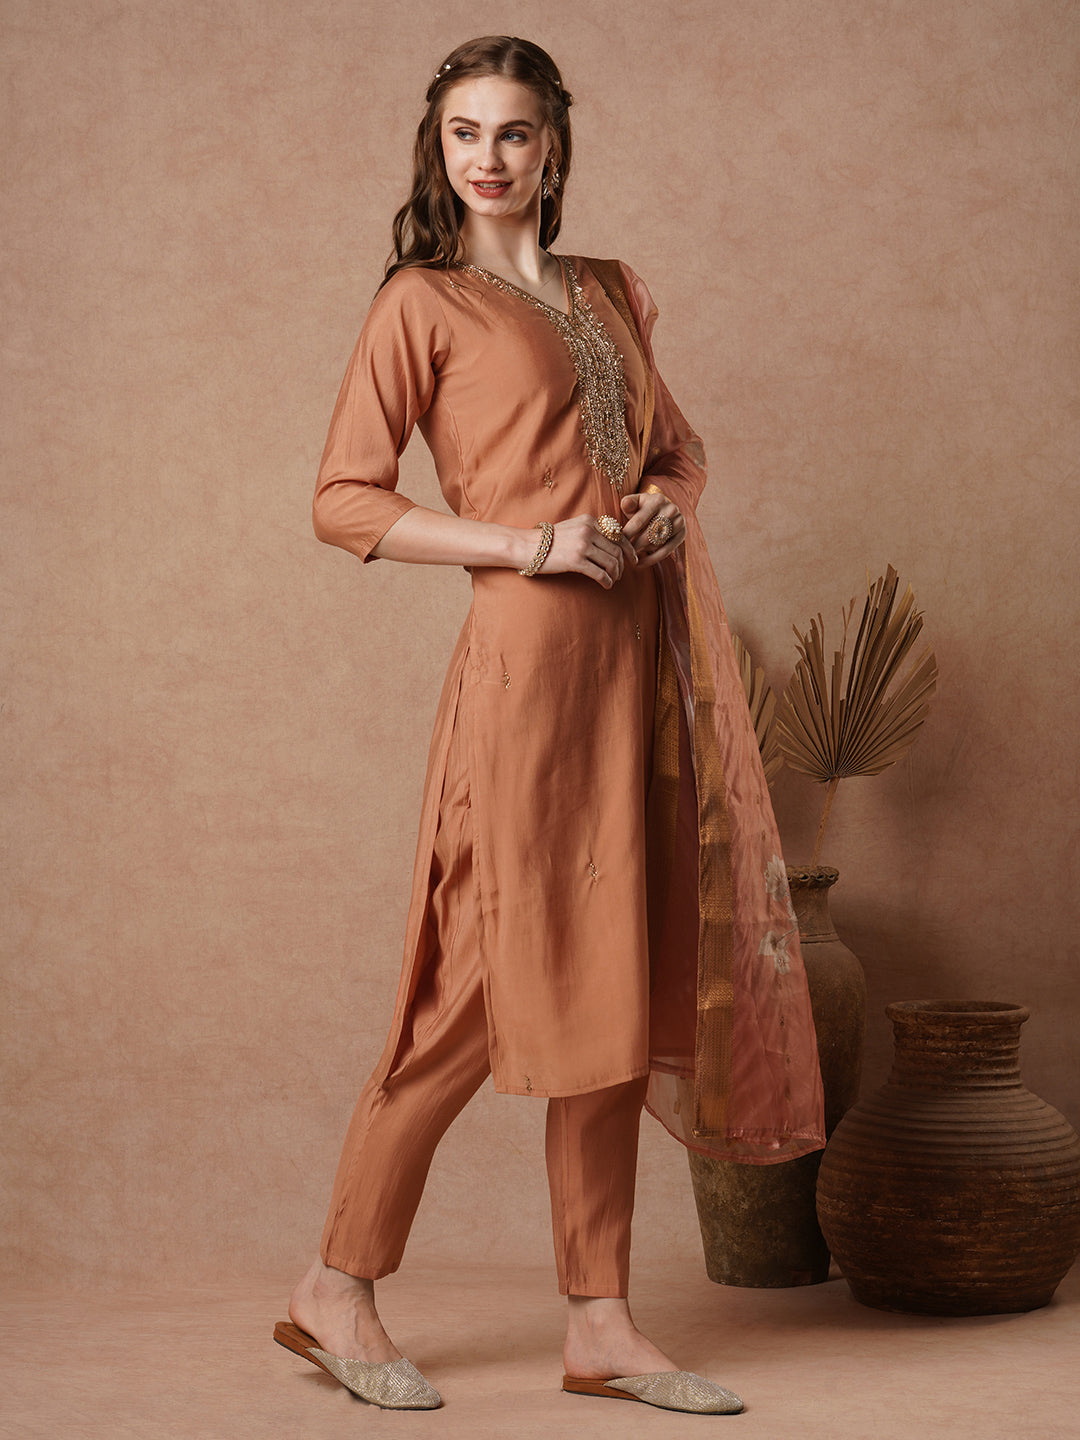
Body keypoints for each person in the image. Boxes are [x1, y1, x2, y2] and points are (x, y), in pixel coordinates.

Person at [274, 35, 825, 1415]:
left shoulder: (611, 290)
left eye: (513, 132)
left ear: (554, 147)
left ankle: (602, 1321)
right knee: (469, 992)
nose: (488, 157)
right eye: (464, 132)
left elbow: (678, 453)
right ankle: (336, 1282)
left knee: (615, 986)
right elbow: (343, 500)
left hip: (642, 670)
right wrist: (529, 545)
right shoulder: (422, 303)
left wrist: (660, 511)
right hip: (529, 676)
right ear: (438, 148)